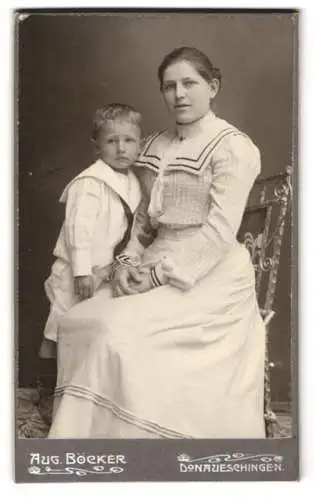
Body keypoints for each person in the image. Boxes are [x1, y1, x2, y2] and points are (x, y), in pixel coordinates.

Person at [48, 47, 266, 439]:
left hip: (208, 274)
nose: (179, 94)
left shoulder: (232, 146)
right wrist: (128, 263)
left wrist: (157, 275)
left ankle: (141, 442)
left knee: (118, 333)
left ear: (212, 87)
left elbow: (218, 231)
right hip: (152, 259)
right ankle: (88, 440)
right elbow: (145, 221)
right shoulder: (154, 145)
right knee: (81, 320)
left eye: (190, 84)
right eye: (170, 86)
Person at [38, 103, 142, 359]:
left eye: (129, 140)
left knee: (86, 327)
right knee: (59, 326)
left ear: (140, 145)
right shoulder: (90, 182)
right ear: (97, 146)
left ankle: (75, 383)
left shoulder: (132, 181)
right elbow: (78, 230)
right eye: (111, 141)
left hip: (104, 269)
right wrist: (82, 271)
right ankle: (44, 383)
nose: (121, 148)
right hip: (75, 270)